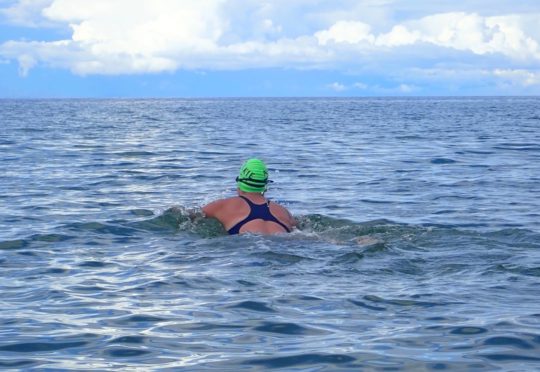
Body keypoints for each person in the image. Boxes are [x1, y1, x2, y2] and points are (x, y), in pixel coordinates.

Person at [202, 158, 296, 235]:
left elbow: (190, 217)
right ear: (265, 186)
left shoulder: (223, 206)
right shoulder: (284, 212)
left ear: (240, 183)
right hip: (283, 242)